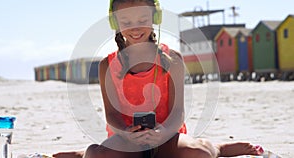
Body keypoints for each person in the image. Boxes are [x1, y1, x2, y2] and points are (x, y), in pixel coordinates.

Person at [53, 0, 264, 158]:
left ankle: (218, 147)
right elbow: (111, 115)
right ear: (114, 22)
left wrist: (163, 132)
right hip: (127, 141)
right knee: (98, 156)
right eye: (126, 21)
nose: (135, 28)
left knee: (200, 153)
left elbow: (177, 112)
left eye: (143, 20)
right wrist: (126, 133)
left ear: (155, 18)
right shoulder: (107, 66)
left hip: (167, 137)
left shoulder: (172, 59)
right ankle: (82, 153)